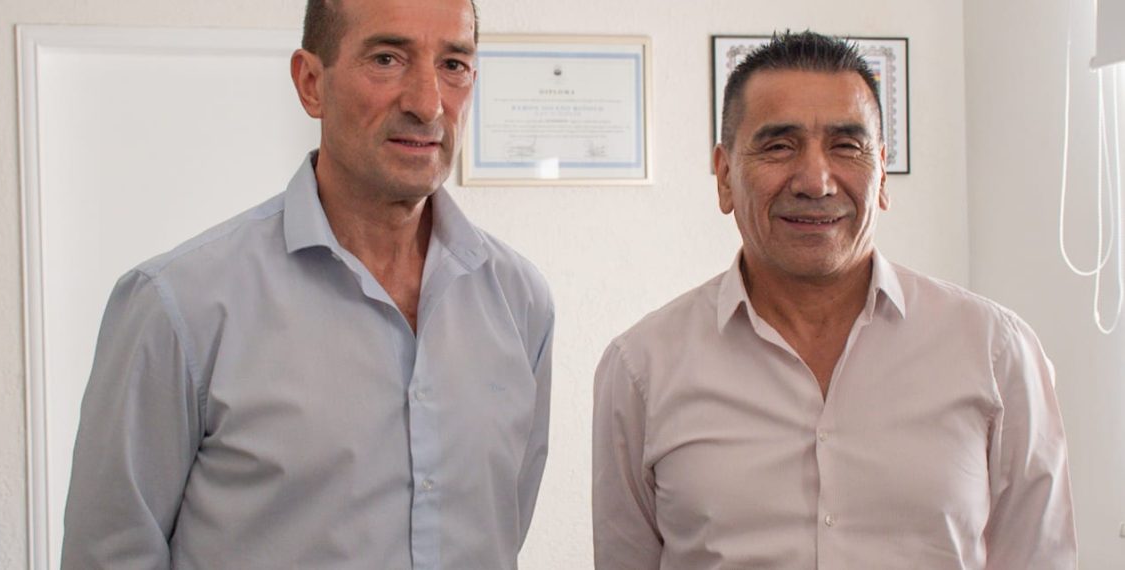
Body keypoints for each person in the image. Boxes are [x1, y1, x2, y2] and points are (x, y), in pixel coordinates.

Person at [61, 0, 554, 567]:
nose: (427, 103)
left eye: (454, 65)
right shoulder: (178, 306)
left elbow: (501, 530)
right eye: (387, 58)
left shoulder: (520, 302)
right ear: (311, 83)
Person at [593, 31, 1076, 569]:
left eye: (847, 146)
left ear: (882, 174)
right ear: (725, 176)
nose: (816, 181)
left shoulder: (996, 352)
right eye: (779, 146)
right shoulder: (642, 368)